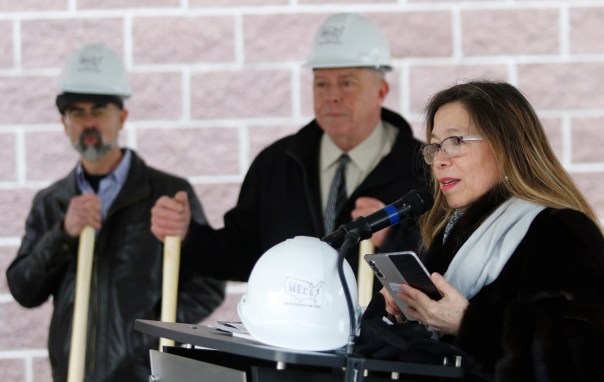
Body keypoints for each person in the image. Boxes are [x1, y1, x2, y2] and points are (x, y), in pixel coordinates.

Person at [367, 80, 604, 381]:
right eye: (435, 146)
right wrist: (401, 312)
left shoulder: (560, 231)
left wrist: (467, 323)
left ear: (506, 146)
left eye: (456, 141)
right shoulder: (448, 234)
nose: (441, 160)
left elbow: (598, 360)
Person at [151, 13, 429, 283]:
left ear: (381, 91)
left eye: (347, 83)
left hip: (383, 330)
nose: (332, 96)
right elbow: (241, 254)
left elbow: (447, 262)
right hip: (293, 330)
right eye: (321, 83)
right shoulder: (276, 164)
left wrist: (392, 239)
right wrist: (188, 235)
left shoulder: (424, 169)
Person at [6, 43, 225, 382]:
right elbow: (23, 289)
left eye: (99, 110)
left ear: (122, 116)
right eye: (77, 113)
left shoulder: (165, 195)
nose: (88, 122)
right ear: (64, 123)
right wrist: (62, 234)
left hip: (144, 375)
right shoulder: (52, 202)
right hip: (73, 374)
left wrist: (149, 334)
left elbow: (209, 283)